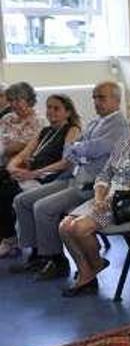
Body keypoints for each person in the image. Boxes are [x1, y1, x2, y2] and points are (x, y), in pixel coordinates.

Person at [8, 82, 128, 274]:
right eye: (94, 97)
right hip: (74, 177)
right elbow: (71, 151)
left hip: (92, 185)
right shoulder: (96, 122)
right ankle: (37, 253)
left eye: (101, 97)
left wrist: (80, 149)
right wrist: (81, 150)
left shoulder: (119, 125)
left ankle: (56, 260)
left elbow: (92, 148)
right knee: (22, 200)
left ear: (116, 99)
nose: (96, 102)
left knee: (43, 207)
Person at [58, 99, 130, 297]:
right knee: (64, 227)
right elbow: (105, 174)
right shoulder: (125, 143)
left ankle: (93, 268)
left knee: (79, 228)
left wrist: (121, 193)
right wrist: (100, 196)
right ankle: (88, 271)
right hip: (108, 198)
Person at [0, 95, 81, 274]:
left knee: (5, 192)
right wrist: (12, 167)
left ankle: (12, 240)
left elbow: (65, 163)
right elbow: (23, 154)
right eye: (49, 108)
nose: (51, 112)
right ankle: (30, 249)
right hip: (30, 175)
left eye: (56, 108)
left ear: (67, 112)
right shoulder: (45, 131)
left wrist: (32, 173)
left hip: (50, 178)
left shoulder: (71, 130)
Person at [0, 82, 46, 164]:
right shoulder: (7, 118)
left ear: (29, 100)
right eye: (11, 100)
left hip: (19, 165)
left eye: (18, 100)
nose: (13, 104)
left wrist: (3, 149)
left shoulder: (37, 120)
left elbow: (22, 146)